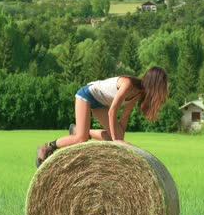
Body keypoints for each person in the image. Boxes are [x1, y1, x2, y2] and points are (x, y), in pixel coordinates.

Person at [36, 67, 169, 167]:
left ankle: (80, 130)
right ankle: (47, 146)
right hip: (86, 95)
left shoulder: (138, 94)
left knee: (115, 138)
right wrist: (117, 139)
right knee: (81, 139)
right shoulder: (128, 84)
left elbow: (125, 115)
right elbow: (112, 111)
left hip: (100, 103)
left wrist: (119, 136)